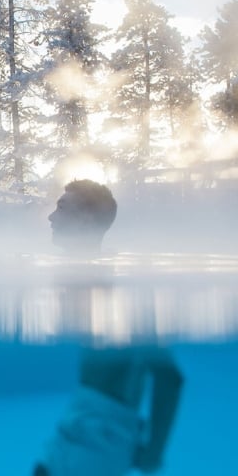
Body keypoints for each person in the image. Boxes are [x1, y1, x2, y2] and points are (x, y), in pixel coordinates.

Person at [34, 179, 184, 476]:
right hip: (78, 421)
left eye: (61, 208)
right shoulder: (71, 277)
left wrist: (154, 452)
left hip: (104, 433)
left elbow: (169, 377)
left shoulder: (116, 288)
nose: (50, 217)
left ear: (87, 219)